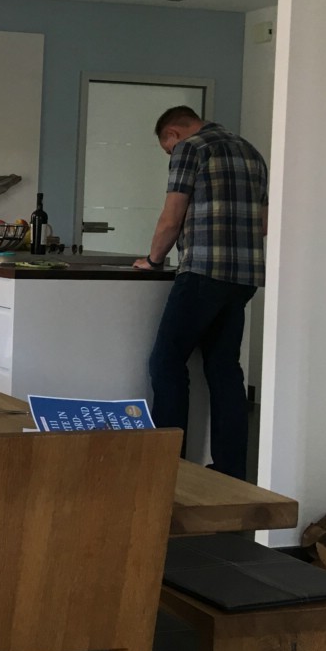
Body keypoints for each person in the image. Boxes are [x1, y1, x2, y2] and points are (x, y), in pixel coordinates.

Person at [133, 105, 268, 481]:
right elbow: (264, 222)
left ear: (172, 134)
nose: (170, 153)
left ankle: (167, 467)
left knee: (166, 362)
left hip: (203, 271)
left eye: (167, 148)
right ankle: (230, 471)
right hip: (244, 277)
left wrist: (153, 260)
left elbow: (172, 216)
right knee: (224, 368)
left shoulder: (190, 149)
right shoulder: (251, 152)